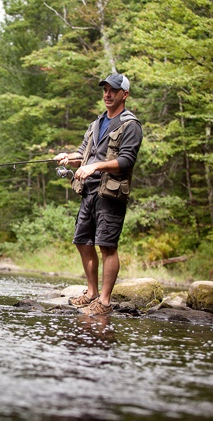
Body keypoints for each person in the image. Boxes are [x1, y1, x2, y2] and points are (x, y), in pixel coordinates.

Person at [54, 73, 143, 316]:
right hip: (89, 191)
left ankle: (104, 302)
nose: (107, 94)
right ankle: (91, 293)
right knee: (82, 241)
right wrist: (68, 157)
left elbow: (126, 160)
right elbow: (82, 154)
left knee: (107, 245)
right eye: (105, 89)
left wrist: (94, 166)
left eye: (113, 90)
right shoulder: (96, 123)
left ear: (124, 94)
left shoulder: (131, 125)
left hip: (111, 193)